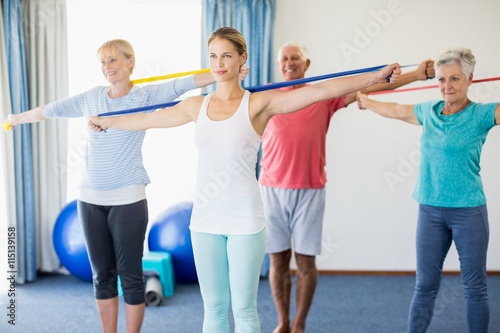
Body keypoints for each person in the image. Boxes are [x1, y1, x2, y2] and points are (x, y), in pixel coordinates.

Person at [88, 27, 401, 333]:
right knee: (213, 310)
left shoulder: (258, 104)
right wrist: (107, 121)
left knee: (244, 310)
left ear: (242, 59)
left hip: (245, 220)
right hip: (205, 220)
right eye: (213, 56)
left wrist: (375, 76)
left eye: (226, 56)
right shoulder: (197, 105)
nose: (219, 64)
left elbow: (320, 90)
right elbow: (147, 119)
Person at [4, 39, 237, 333]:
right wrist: (16, 118)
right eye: (103, 62)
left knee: (131, 275)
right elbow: (50, 110)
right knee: (102, 275)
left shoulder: (146, 96)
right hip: (89, 199)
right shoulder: (91, 97)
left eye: (113, 60)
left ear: (130, 62)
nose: (107, 67)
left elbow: (184, 83)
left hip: (128, 198)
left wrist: (225, 71)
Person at [259, 41, 435, 333]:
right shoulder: (267, 94)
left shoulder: (322, 95)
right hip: (271, 189)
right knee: (277, 260)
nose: (289, 63)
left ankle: (299, 324)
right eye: (284, 59)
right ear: (279, 65)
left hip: (310, 188)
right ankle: (282, 322)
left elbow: (374, 87)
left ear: (307, 64)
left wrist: (416, 75)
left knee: (305, 261)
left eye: (295, 58)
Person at [357, 47, 499, 333]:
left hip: (468, 211)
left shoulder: (483, 114)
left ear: (470, 79)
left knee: (474, 286)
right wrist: (365, 100)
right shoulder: (429, 112)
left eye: (455, 79)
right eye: (442, 79)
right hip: (430, 211)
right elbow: (396, 111)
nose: (447, 86)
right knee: (425, 285)